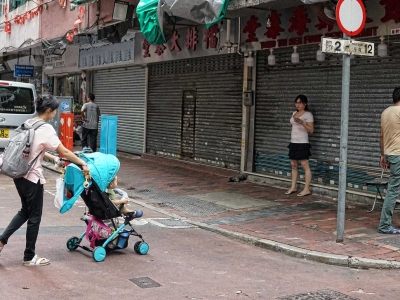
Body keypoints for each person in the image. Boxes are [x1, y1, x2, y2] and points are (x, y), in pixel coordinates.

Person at [0, 94, 91, 266]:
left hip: (19, 174)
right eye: (54, 110)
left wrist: (52, 159)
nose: (55, 113)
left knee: (25, 211)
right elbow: (64, 151)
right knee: (35, 216)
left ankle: (2, 240)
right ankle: (29, 256)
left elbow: (37, 148)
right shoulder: (46, 129)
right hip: (32, 178)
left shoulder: (30, 123)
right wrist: (82, 163)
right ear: (49, 110)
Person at [379, 87, 400, 234]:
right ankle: (384, 226)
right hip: (399, 154)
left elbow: (381, 136)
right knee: (393, 190)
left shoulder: (385, 112)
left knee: (393, 189)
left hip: (390, 154)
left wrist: (383, 155)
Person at [285, 95, 314, 197]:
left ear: (305, 104)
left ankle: (306, 189)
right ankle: (293, 187)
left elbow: (311, 130)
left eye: (300, 103)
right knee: (293, 165)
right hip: (293, 142)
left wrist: (302, 123)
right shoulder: (294, 113)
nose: (297, 104)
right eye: (296, 102)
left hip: (303, 143)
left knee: (305, 165)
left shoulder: (308, 115)